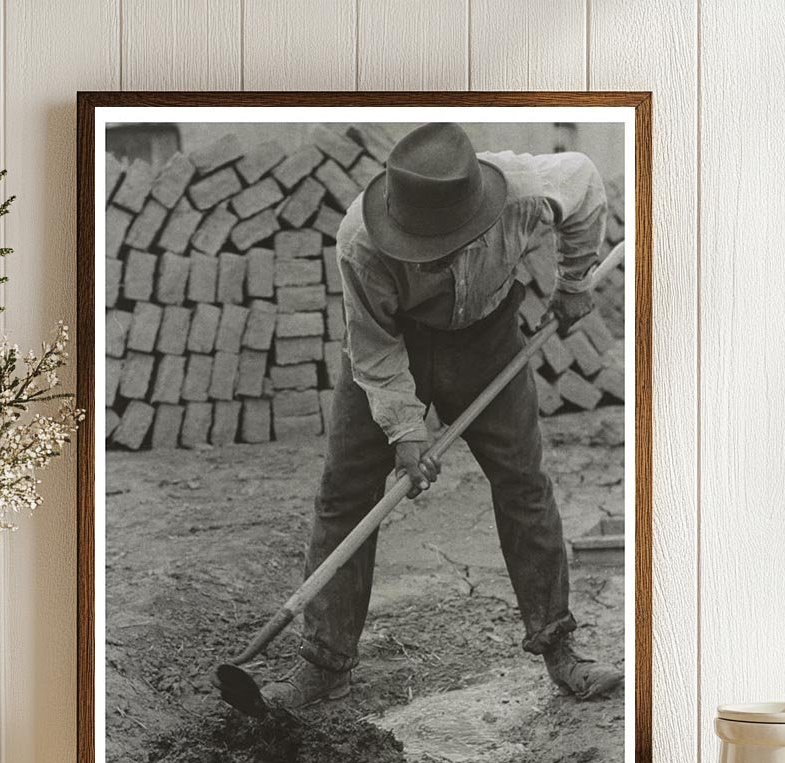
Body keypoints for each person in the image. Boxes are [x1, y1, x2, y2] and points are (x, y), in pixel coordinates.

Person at [263, 122, 623, 709]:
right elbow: (374, 350)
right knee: (345, 493)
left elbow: (584, 184)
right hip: (392, 341)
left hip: (486, 340)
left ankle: (560, 652)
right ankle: (325, 665)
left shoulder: (528, 192)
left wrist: (576, 280)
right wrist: (406, 430)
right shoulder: (359, 239)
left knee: (523, 484)